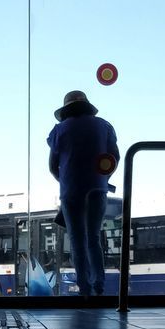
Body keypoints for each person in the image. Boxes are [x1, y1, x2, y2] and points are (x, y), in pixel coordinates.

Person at [47, 89, 119, 298]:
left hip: (71, 191)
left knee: (77, 241)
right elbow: (115, 157)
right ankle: (99, 286)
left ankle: (84, 289)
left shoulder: (59, 130)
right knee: (93, 238)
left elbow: (52, 167)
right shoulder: (104, 126)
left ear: (66, 109)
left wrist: (67, 180)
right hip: (98, 188)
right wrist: (102, 177)